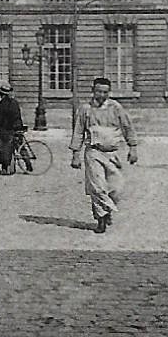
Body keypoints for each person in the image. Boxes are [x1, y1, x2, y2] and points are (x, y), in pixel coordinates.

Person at [69, 76, 138, 233]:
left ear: (109, 92)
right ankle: (100, 219)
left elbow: (128, 127)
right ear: (93, 91)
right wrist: (75, 153)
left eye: (105, 92)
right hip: (94, 152)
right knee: (97, 188)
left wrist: (133, 148)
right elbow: (78, 131)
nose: (101, 95)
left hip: (113, 154)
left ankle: (107, 209)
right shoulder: (85, 109)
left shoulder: (116, 108)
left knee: (116, 188)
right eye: (98, 91)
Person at [0, 82, 26, 174]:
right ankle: (28, 165)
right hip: (17, 128)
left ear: (1, 94)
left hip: (5, 129)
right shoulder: (14, 102)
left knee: (3, 148)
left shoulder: (2, 104)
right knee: (20, 146)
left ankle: (5, 169)